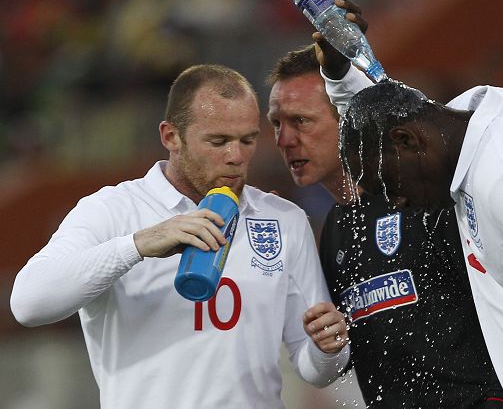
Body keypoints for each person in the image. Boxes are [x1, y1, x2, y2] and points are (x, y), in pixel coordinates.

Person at [10, 64, 350, 409]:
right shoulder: (112, 210)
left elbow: (314, 368)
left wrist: (327, 349)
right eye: (218, 141)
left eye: (247, 140)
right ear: (171, 136)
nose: (236, 157)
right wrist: (137, 245)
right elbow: (28, 303)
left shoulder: (283, 219)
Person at [321, 0, 503, 409]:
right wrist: (341, 73)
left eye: (390, 186)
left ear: (407, 142)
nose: (396, 203)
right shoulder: (488, 113)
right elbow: (390, 113)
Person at [266, 44, 503, 407]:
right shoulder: (334, 228)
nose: (284, 140)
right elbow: (347, 357)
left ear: (346, 118)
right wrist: (326, 342)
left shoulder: (423, 197)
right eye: (276, 124)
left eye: (300, 121)